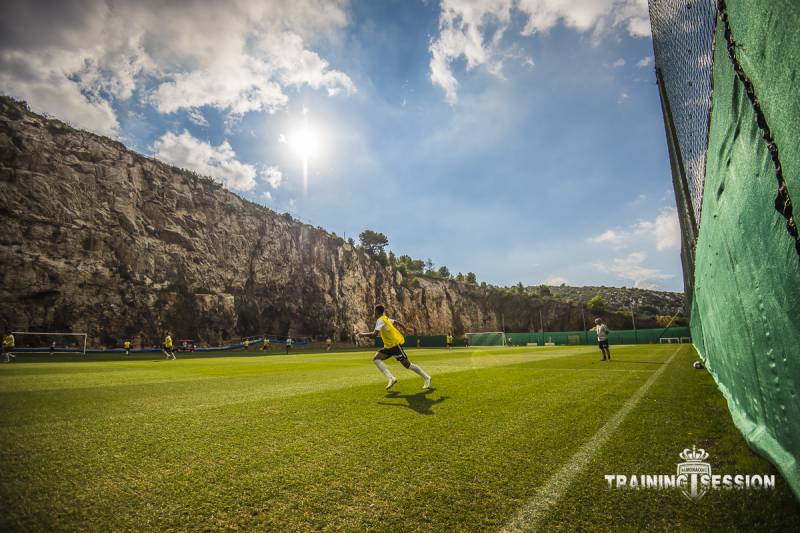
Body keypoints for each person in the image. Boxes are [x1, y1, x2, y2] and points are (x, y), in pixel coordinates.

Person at [357, 304, 431, 390]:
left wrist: (362, 334)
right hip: (388, 347)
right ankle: (391, 378)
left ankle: (426, 377)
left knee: (407, 365)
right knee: (376, 359)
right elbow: (395, 321)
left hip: (395, 346)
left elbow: (374, 335)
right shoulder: (385, 318)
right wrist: (405, 328)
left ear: (376, 312)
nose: (374, 313)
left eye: (375, 311)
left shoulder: (381, 320)